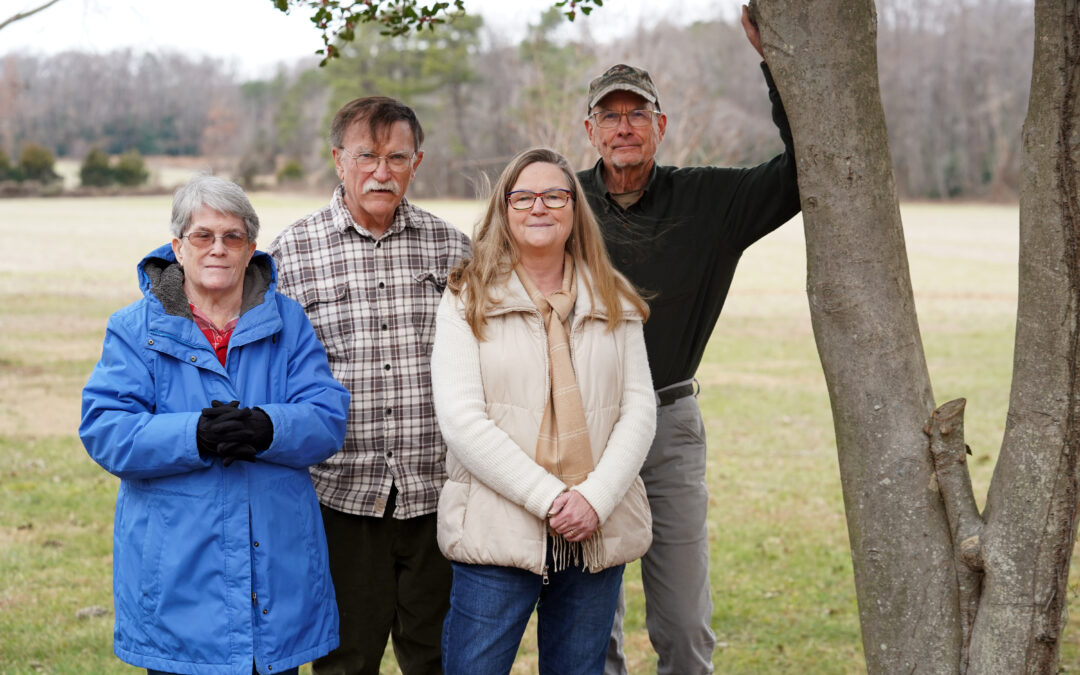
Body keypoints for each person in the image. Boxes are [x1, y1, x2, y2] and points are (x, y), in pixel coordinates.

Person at [577, 8, 802, 675]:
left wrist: (774, 64)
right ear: (590, 129)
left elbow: (798, 175)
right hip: (583, 423)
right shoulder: (558, 203)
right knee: (590, 620)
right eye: (610, 115)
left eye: (636, 114)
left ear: (659, 126)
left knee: (680, 621)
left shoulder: (707, 201)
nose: (624, 126)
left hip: (668, 422)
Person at [79, 175, 351, 675]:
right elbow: (106, 429)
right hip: (178, 580)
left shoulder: (287, 322)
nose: (218, 249)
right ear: (179, 247)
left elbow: (328, 415)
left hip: (275, 578)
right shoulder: (134, 328)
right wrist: (192, 436)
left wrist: (269, 428)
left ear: (250, 249)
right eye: (203, 235)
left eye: (233, 236)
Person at [430, 147, 657, 675]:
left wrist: (593, 500)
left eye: (555, 195)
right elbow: (462, 419)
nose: (540, 207)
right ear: (504, 209)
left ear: (575, 210)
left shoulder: (613, 296)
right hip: (497, 531)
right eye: (524, 196)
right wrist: (552, 500)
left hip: (591, 531)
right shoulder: (468, 297)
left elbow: (639, 409)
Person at [267, 96, 471, 675]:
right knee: (346, 659)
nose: (381, 171)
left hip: (437, 494)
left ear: (417, 161)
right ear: (338, 160)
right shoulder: (290, 254)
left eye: (396, 157)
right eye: (366, 156)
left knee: (438, 658)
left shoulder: (454, 250)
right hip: (338, 495)